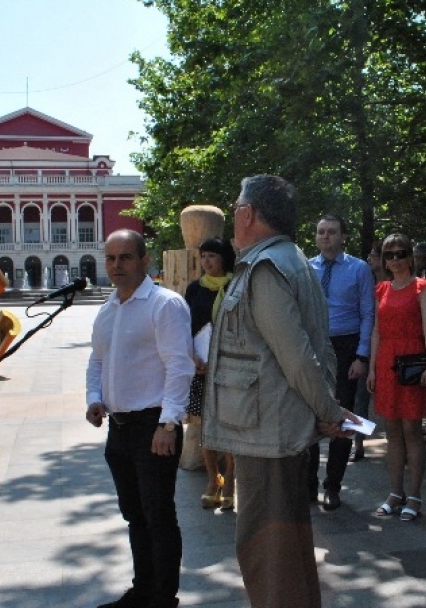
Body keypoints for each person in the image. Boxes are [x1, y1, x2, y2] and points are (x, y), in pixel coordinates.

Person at [201, 175, 355, 608]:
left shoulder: (266, 268)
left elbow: (298, 356)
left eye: (236, 207)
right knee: (285, 548)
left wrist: (329, 411)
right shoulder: (289, 260)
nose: (234, 215)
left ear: (248, 214)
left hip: (267, 432)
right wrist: (325, 410)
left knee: (267, 552)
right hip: (271, 427)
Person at [86, 229, 194, 608]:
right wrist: (95, 398)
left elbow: (180, 366)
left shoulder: (165, 305)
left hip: (154, 426)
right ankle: (143, 590)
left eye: (126, 257)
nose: (117, 265)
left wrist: (168, 424)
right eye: (111, 258)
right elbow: (97, 359)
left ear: (145, 261)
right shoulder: (108, 308)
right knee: (135, 515)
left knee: (158, 515)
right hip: (119, 428)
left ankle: (163, 598)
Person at [366, 233, 426, 522]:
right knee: (392, 430)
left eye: (400, 253)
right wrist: (372, 368)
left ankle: (415, 495)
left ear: (410, 257)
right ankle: (395, 492)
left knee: (412, 430)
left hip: (412, 362)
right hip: (387, 361)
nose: (395, 259)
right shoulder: (381, 289)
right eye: (389, 254)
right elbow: (376, 331)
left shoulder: (422, 288)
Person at [307, 215, 375, 510]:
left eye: (332, 232)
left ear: (343, 236)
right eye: (321, 232)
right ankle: (308, 485)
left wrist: (361, 356)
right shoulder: (306, 267)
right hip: (313, 347)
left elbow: (368, 314)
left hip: (346, 347)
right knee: (309, 416)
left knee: (343, 418)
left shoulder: (359, 269)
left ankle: (333, 486)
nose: (326, 237)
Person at [183, 237, 236, 510]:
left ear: (224, 257)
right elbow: (184, 326)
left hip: (229, 366)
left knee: (228, 426)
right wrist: (192, 358)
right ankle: (213, 480)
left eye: (212, 255)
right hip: (201, 367)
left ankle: (230, 482)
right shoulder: (194, 288)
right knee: (206, 427)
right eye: (203, 256)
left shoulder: (236, 286)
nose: (206, 261)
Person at [352, 239, 386, 462]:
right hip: (367, 345)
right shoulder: (366, 282)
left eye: (373, 255)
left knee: (391, 400)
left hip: (389, 347)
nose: (369, 259)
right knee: (360, 398)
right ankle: (358, 444)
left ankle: (400, 444)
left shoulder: (394, 284)